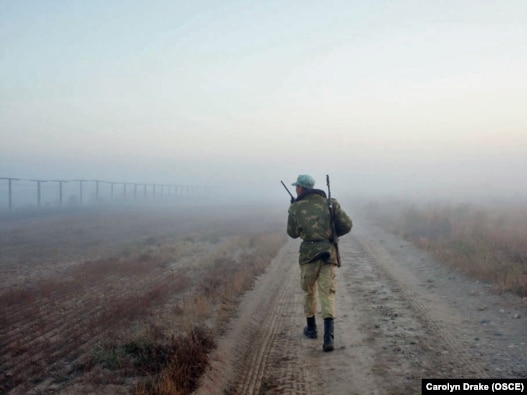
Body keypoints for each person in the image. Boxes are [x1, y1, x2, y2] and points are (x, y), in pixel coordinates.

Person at [286, 174, 352, 352]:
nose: (295, 190)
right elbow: (347, 225)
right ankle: (328, 338)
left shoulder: (296, 207)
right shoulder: (330, 202)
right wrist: (331, 235)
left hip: (308, 256)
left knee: (308, 291)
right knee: (327, 293)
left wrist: (293, 211)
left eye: (296, 187)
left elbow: (292, 233)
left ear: (301, 188)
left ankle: (311, 329)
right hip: (328, 254)